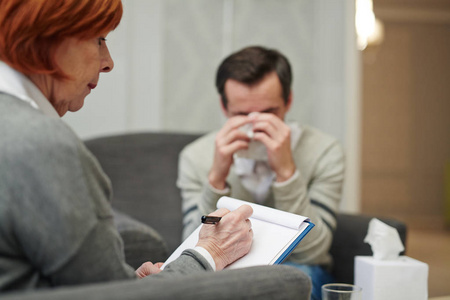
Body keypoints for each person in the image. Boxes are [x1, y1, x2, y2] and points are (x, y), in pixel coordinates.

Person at [0, 0, 253, 292]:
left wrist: (128, 280)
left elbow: (87, 283)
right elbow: (112, 297)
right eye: (99, 40)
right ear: (50, 38)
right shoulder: (44, 145)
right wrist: (212, 253)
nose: (108, 62)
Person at [178, 46, 345, 300]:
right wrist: (216, 180)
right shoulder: (196, 156)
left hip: (298, 269)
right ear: (224, 107)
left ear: (288, 101)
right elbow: (193, 253)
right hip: (225, 272)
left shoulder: (324, 151)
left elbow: (313, 252)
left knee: (300, 278)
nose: (255, 126)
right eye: (242, 115)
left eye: (268, 113)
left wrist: (287, 173)